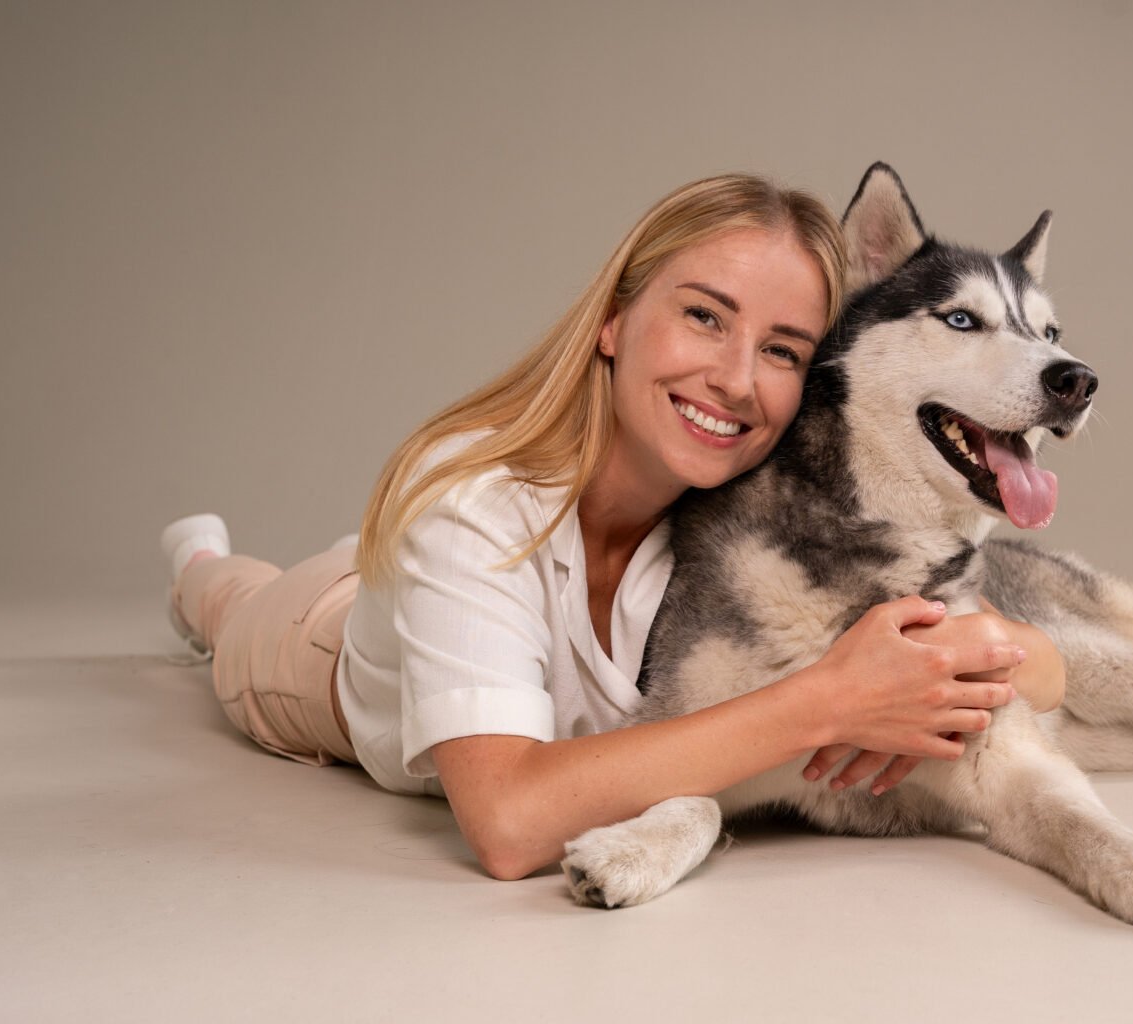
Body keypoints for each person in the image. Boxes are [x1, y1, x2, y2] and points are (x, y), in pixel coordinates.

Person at [161, 172, 1066, 882]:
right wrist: (831, 701)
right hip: (313, 650)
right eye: (704, 316)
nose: (736, 379)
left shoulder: (748, 495)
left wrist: (979, 651)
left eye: (783, 349)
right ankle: (195, 564)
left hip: (439, 585)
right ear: (613, 319)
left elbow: (1050, 668)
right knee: (232, 602)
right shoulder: (470, 505)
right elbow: (510, 826)